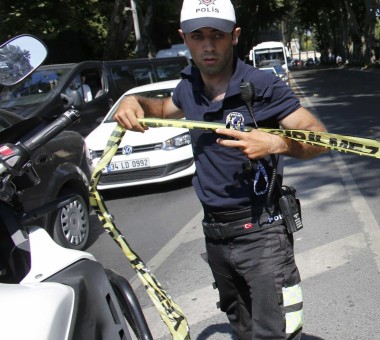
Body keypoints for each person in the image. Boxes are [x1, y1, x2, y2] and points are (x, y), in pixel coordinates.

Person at [113, 0, 328, 339]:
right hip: (215, 235)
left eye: (218, 35)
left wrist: (277, 143)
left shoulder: (263, 85)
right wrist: (133, 102)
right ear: (184, 38)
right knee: (241, 329)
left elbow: (321, 138)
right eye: (198, 36)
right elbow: (162, 108)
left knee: (279, 333)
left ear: (235, 36)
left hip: (262, 235)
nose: (208, 45)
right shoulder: (189, 87)